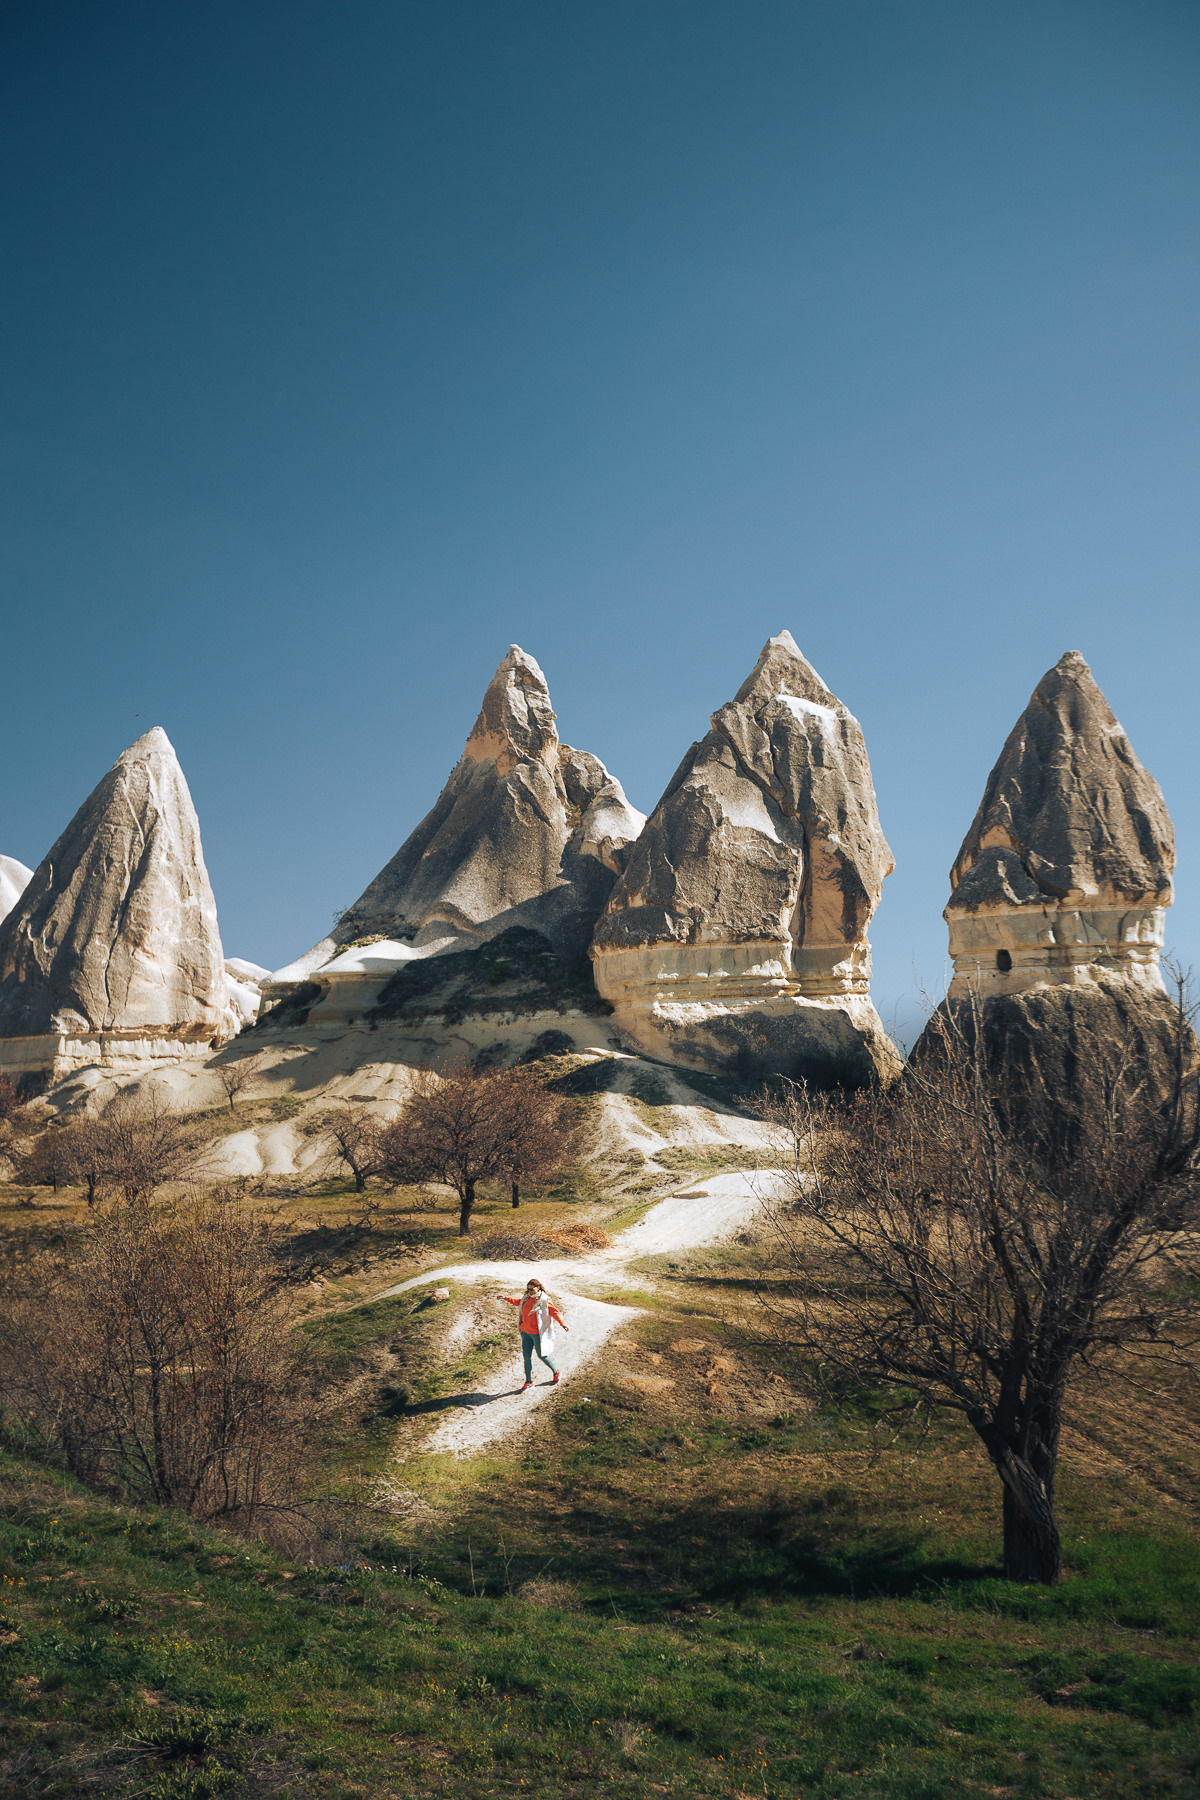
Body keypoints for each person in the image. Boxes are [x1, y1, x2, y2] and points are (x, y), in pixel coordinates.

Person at [504, 1277, 569, 1391]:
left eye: (532, 1289)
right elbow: (518, 1302)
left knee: (542, 1355)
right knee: (526, 1357)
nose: (529, 1292)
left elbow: (555, 1312)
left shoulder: (544, 1300)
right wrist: (506, 1298)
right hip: (525, 1333)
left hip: (537, 1334)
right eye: (528, 1289)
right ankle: (528, 1382)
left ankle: (556, 1372)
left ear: (538, 1288)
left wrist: (562, 1324)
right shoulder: (526, 1298)